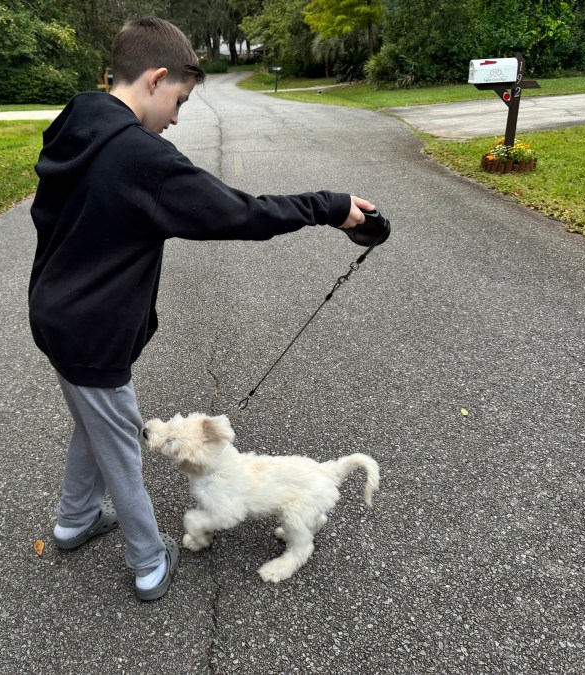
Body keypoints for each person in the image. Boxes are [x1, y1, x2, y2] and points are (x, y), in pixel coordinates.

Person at [28, 16, 374, 601]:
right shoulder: (142, 157)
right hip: (93, 332)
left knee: (94, 420)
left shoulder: (76, 123)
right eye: (180, 101)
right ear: (156, 78)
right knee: (120, 443)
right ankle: (148, 561)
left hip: (54, 314)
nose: (175, 118)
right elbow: (240, 213)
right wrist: (329, 206)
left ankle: (74, 520)